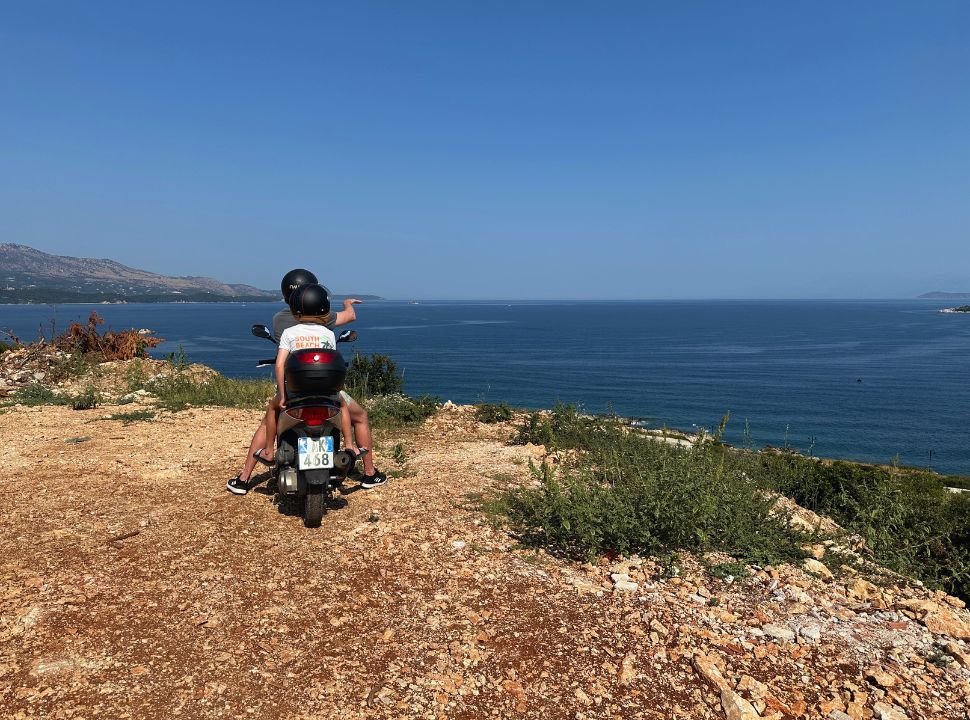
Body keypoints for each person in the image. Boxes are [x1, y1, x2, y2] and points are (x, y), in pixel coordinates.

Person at [227, 269, 387, 494]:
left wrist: (282, 393)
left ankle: (245, 477)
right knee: (359, 415)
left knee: (267, 420)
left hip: (292, 391)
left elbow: (281, 363)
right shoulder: (326, 323)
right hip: (327, 392)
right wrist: (348, 304)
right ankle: (368, 472)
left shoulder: (280, 320)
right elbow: (349, 317)